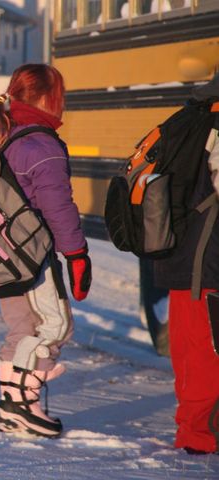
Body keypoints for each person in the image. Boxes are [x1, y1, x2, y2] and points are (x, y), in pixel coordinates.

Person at [0, 64, 90, 438]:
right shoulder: (41, 145)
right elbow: (58, 209)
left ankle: (14, 407)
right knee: (54, 325)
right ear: (47, 98)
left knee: (22, 328)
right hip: (32, 258)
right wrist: (76, 255)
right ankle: (21, 403)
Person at [151, 74, 219, 455]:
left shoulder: (189, 118)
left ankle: (196, 432)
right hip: (207, 260)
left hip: (182, 255)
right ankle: (199, 436)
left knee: (192, 351)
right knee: (208, 354)